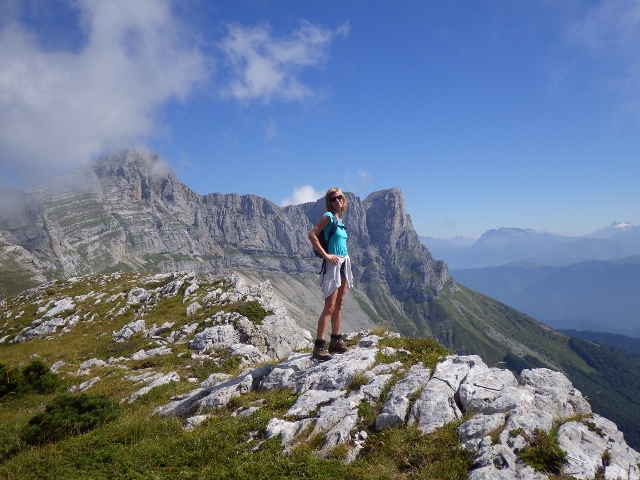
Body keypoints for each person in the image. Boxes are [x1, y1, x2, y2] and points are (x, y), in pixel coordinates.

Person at [308, 187, 354, 361]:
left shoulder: (339, 219)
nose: (337, 201)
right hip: (333, 264)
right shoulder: (328, 217)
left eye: (340, 197)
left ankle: (335, 340)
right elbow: (312, 235)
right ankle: (319, 346)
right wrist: (326, 255)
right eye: (334, 199)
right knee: (330, 306)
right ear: (329, 202)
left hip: (344, 262)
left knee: (340, 303)